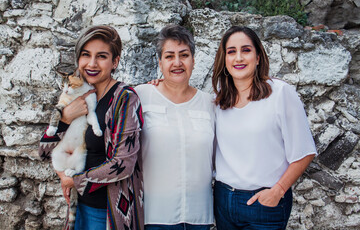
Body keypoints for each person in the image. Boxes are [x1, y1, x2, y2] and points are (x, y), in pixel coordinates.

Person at [39, 25, 144, 230]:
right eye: (86, 55)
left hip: (108, 212)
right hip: (78, 209)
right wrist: (66, 117)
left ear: (115, 61)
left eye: (102, 56)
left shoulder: (125, 98)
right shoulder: (75, 97)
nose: (92, 63)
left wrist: (74, 180)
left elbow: (124, 163)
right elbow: (44, 152)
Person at [212, 26, 317, 230]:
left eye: (246, 50)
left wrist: (278, 191)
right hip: (223, 200)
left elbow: (304, 152)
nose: (239, 58)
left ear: (258, 57)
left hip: (264, 203)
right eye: (231, 52)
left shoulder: (280, 94)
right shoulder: (219, 102)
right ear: (224, 60)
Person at [135, 25, 215, 230]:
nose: (177, 63)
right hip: (154, 216)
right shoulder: (141, 96)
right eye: (169, 56)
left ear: (193, 61)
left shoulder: (210, 104)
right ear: (160, 62)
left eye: (184, 55)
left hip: (200, 217)